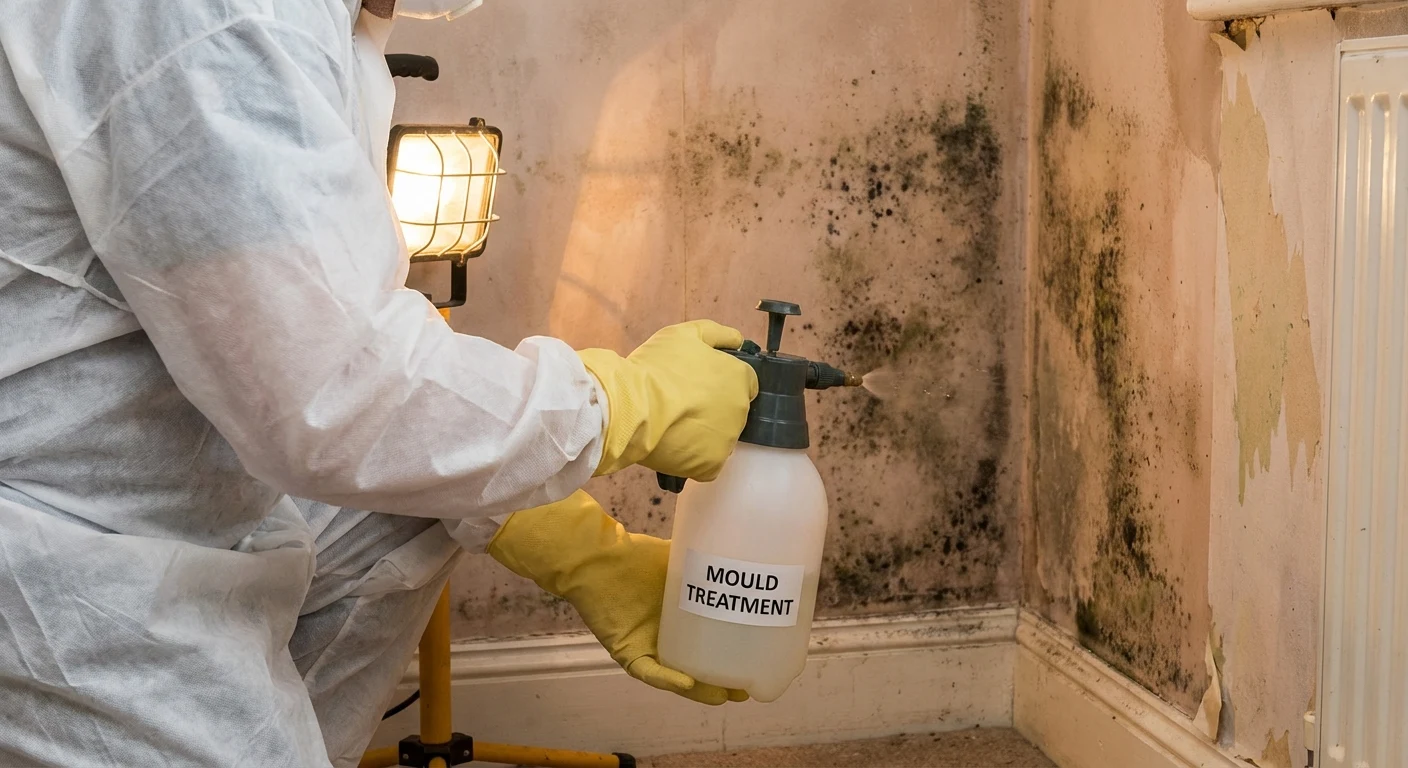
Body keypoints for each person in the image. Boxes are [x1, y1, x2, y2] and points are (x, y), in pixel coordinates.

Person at [0, 0, 759, 765]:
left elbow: (297, 329)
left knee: (420, 505)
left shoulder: (333, 24)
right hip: (53, 544)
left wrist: (579, 547)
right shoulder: (223, 17)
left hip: (149, 469)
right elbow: (333, 393)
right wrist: (618, 405)